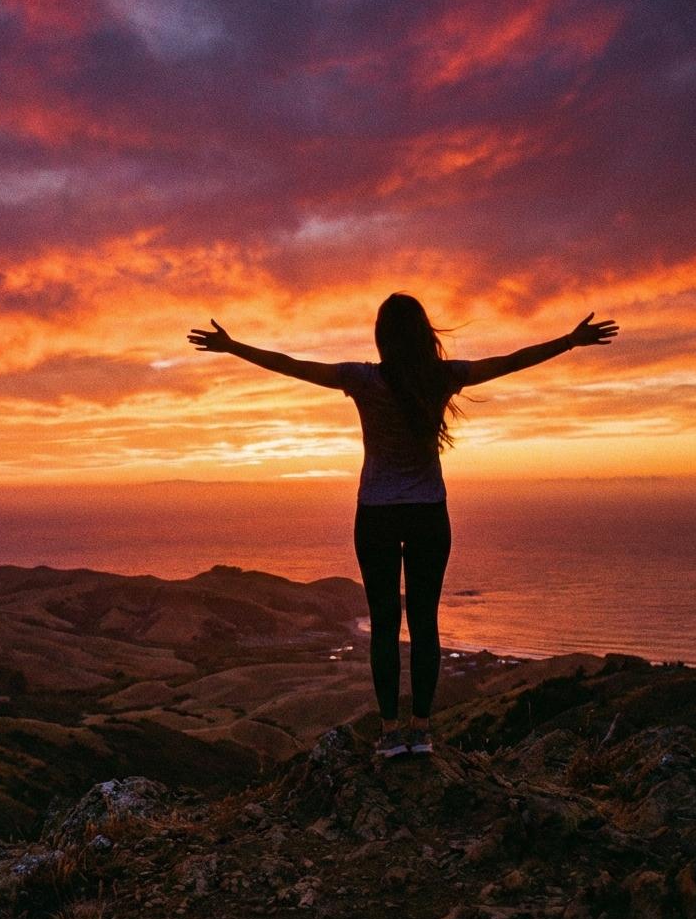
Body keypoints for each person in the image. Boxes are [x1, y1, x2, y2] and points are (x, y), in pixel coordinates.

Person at [188, 293, 618, 756]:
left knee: (384, 627)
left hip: (375, 513)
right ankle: (421, 731)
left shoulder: (362, 378)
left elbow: (291, 364)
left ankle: (390, 734)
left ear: (382, 337)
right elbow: (511, 361)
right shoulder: (443, 377)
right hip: (428, 512)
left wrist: (234, 348)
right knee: (425, 624)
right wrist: (569, 342)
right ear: (424, 333)